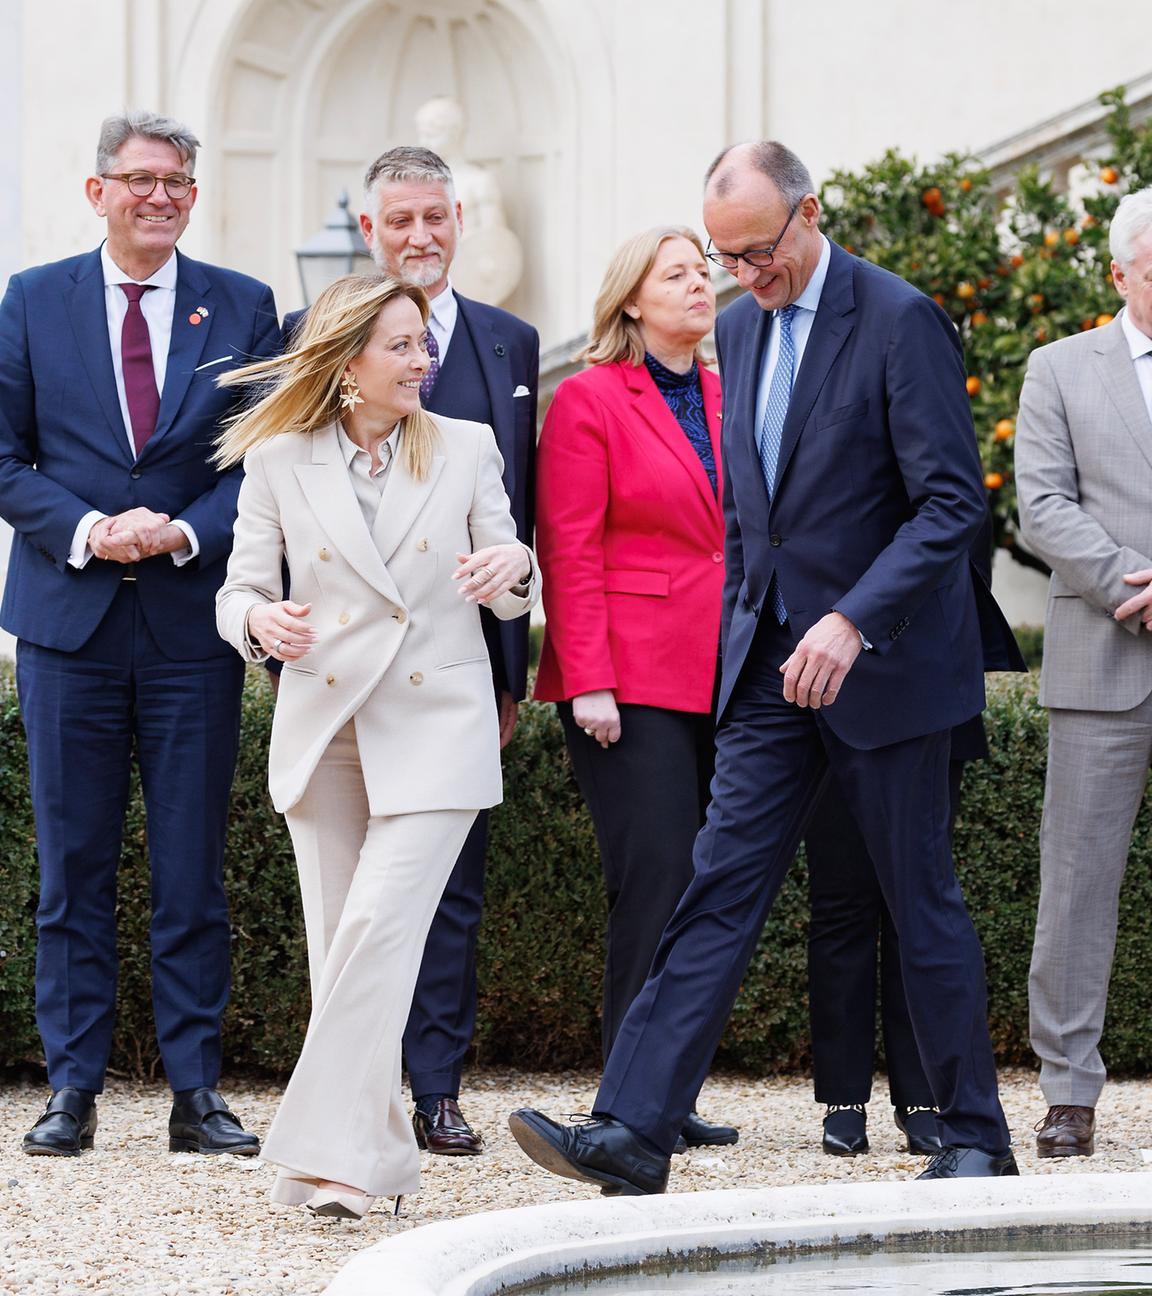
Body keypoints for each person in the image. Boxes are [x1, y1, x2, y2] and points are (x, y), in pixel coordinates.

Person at [509, 139, 1023, 1194]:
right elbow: (755, 516)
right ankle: (633, 1130)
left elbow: (951, 506)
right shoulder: (737, 335)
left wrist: (853, 623)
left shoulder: (897, 318)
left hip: (884, 672)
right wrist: (756, 627)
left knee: (917, 898)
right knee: (715, 888)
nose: (743, 275)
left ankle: (977, 1137)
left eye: (755, 251)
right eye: (724, 256)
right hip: (765, 678)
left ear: (809, 212)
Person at [215, 273, 538, 1218]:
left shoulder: (468, 446)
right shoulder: (278, 457)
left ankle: (318, 1153)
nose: (422, 360)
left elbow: (515, 572)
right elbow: (237, 591)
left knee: (378, 930)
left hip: (437, 722)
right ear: (347, 360)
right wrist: (259, 623)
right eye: (400, 345)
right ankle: (372, 1162)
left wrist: (513, 569)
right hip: (324, 725)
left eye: (422, 345)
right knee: (340, 949)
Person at [0, 110, 278, 1158]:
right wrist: (84, 529)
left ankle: (195, 1093)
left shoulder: (244, 307)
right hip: (67, 627)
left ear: (193, 197)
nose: (158, 197)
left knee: (191, 869)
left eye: (176, 184)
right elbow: (4, 456)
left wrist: (179, 531)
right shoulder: (32, 302)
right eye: (139, 180)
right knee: (71, 870)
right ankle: (71, 1088)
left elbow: (261, 458)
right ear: (98, 190)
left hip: (186, 624)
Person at [284, 145, 538, 1156]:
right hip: (344, 684)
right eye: (402, 222)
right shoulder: (320, 337)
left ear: (459, 218)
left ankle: (435, 1087)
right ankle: (359, 1102)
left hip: (457, 674)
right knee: (358, 908)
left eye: (437, 217)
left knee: (452, 889)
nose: (422, 236)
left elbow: (519, 519)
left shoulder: (512, 342)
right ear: (369, 229)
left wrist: (512, 669)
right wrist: (286, 653)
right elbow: (289, 511)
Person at [534, 226, 735, 1152]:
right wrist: (590, 682)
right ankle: (628, 1096)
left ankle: (668, 1091)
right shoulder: (586, 401)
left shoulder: (734, 397)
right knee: (653, 880)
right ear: (630, 301)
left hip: (724, 676)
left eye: (706, 272)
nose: (701, 285)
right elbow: (568, 548)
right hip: (628, 681)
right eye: (678, 274)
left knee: (702, 886)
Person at [807, 511, 1022, 1159]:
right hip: (831, 698)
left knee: (915, 908)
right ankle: (843, 1100)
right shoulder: (838, 490)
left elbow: (963, 577)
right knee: (840, 904)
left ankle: (922, 1098)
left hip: (928, 700)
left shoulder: (945, 493)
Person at [1015, 186, 1152, 1159]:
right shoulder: (1059, 368)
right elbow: (1041, 505)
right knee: (1076, 883)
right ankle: (1069, 1091)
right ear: (1117, 273)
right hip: (1106, 652)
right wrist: (1127, 583)